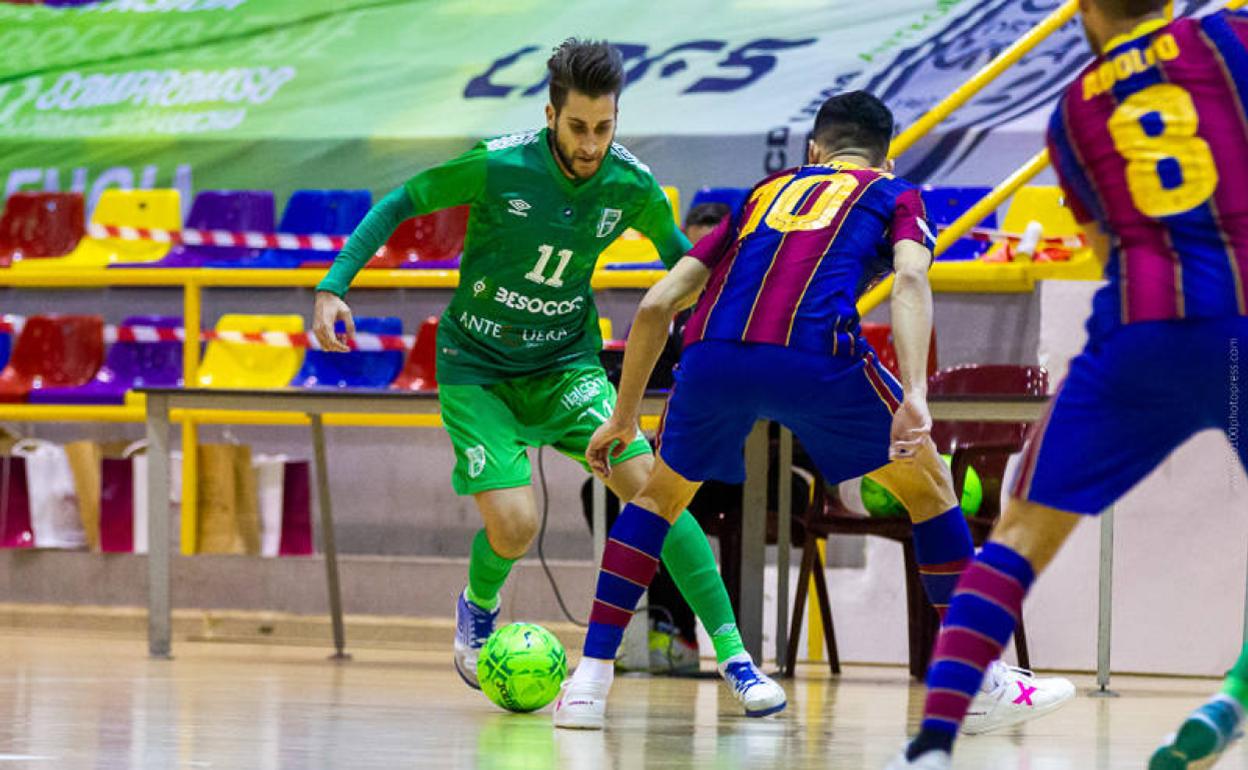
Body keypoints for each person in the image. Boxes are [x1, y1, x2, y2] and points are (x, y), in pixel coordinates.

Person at [552, 90, 1073, 731]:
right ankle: (980, 680)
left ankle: (589, 684)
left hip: (714, 351)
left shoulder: (762, 192)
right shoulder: (893, 194)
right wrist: (914, 393)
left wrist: (625, 416)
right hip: (815, 352)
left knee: (656, 501)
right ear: (883, 160)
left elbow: (660, 304)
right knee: (933, 489)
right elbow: (910, 279)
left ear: (812, 151)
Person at [312, 38, 782, 715]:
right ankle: (478, 607)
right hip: (478, 369)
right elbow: (400, 202)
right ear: (551, 114)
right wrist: (333, 286)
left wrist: (737, 313)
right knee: (514, 525)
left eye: (604, 127)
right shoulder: (499, 164)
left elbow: (685, 266)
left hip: (567, 367)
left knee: (657, 495)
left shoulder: (632, 186)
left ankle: (737, 661)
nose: (591, 144)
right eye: (578, 127)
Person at [888, 2, 1248, 768]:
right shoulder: (1227, 35)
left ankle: (931, 746)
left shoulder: (1073, 111)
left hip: (1140, 333)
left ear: (1084, 10)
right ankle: (1237, 693)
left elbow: (1098, 243)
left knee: (1016, 539)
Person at [579, 200, 736, 675]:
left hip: (751, 470)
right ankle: (659, 626)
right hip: (691, 464)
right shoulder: (674, 317)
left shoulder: (746, 307)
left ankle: (697, 635)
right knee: (614, 489)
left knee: (663, 499)